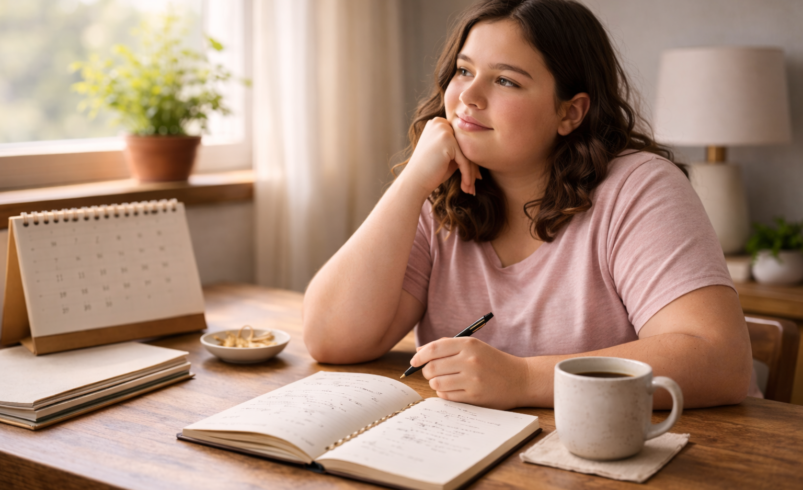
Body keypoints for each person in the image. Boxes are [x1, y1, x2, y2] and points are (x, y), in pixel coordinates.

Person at [302, 0, 753, 410]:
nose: (467, 98)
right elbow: (330, 339)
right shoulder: (440, 191)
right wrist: (411, 184)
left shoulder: (639, 188)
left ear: (570, 113)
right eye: (463, 71)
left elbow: (720, 360)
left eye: (504, 80)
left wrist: (523, 378)